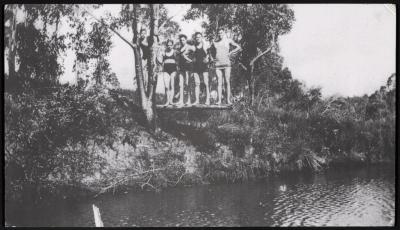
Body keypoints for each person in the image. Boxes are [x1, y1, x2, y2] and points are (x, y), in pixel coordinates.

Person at [211, 28, 241, 105]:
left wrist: (231, 52)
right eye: (219, 33)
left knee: (227, 82)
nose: (220, 34)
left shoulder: (228, 40)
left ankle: (228, 100)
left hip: (227, 64)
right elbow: (209, 51)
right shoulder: (215, 42)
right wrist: (212, 58)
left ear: (224, 33)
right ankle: (219, 100)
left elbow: (238, 47)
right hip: (218, 64)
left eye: (221, 33)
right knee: (219, 83)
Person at [192, 32, 210, 105]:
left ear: (201, 37)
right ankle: (197, 101)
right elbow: (191, 54)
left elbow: (209, 53)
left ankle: (207, 100)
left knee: (206, 83)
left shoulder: (205, 45)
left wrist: (207, 59)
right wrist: (192, 59)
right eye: (196, 37)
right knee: (197, 84)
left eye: (199, 37)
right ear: (195, 38)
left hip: (204, 66)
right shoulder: (194, 47)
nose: (198, 38)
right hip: (196, 67)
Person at [176, 34, 195, 105]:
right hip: (181, 67)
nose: (182, 41)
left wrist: (190, 60)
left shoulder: (190, 47)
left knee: (187, 84)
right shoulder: (180, 48)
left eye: (183, 40)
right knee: (181, 84)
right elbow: (178, 58)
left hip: (188, 67)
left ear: (186, 40)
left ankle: (188, 100)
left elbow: (196, 51)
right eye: (181, 40)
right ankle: (181, 100)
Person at [159, 39, 178, 106]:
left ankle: (171, 101)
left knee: (172, 85)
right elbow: (161, 62)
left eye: (171, 45)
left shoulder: (175, 52)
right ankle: (167, 101)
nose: (169, 46)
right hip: (166, 70)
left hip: (173, 70)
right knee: (167, 86)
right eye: (168, 45)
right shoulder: (164, 52)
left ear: (172, 45)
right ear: (166, 45)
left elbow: (177, 61)